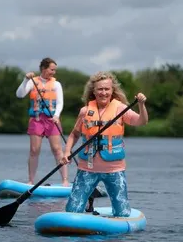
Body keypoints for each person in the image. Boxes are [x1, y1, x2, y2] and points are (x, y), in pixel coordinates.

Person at [61, 71, 148, 216]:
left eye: (106, 89)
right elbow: (74, 134)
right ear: (93, 91)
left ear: (112, 90)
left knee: (122, 213)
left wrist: (141, 105)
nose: (103, 92)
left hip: (114, 169)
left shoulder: (120, 109)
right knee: (72, 210)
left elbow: (142, 121)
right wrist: (67, 152)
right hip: (87, 169)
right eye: (100, 89)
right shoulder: (85, 111)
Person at [16, 57, 69, 186]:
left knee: (57, 149)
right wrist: (25, 79)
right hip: (37, 119)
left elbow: (60, 103)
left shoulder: (56, 84)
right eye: (52, 69)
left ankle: (65, 181)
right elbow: (20, 94)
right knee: (34, 150)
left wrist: (56, 115)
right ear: (44, 69)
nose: (54, 72)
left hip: (52, 119)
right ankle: (31, 181)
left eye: (54, 70)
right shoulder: (32, 82)